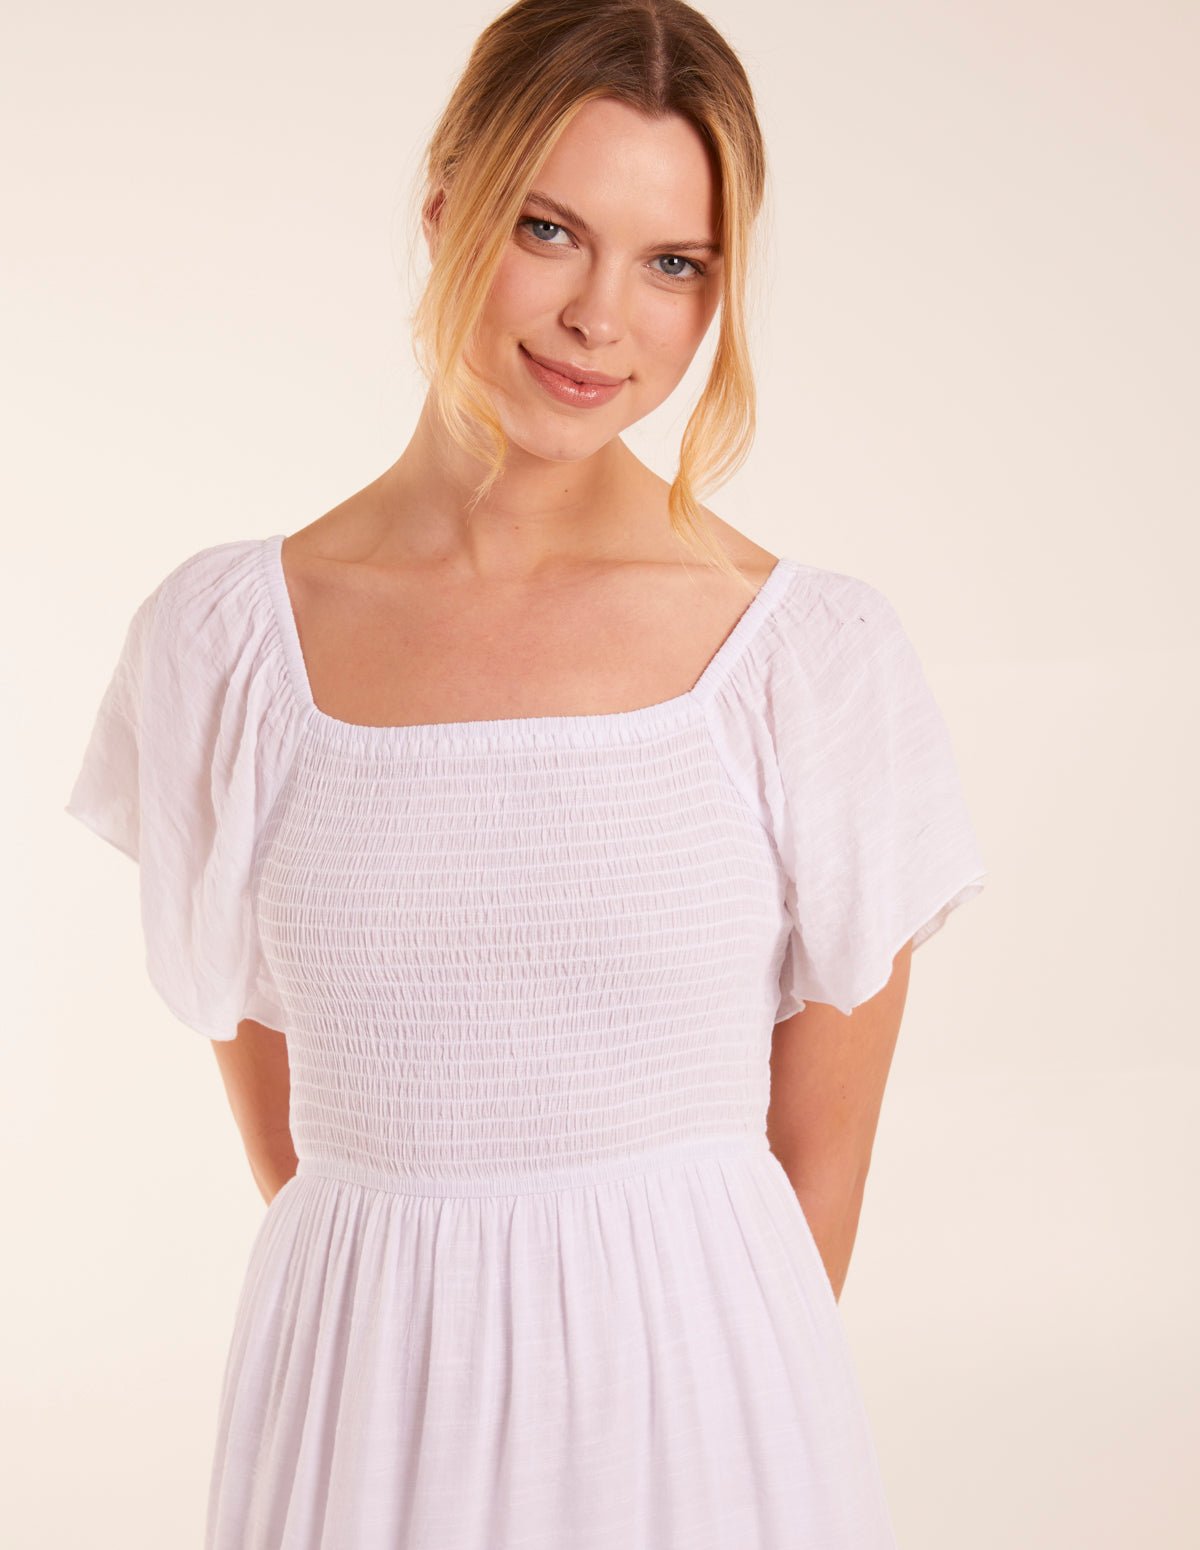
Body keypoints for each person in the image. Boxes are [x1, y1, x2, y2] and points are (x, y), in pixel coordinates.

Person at [64, 1, 987, 1545]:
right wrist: (440, 1339)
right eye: (550, 230)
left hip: (707, 1428)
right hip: (360, 1417)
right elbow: (307, 1148)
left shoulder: (807, 660)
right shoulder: (227, 650)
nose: (600, 319)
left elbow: (816, 1175)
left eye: (673, 263)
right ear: (447, 211)